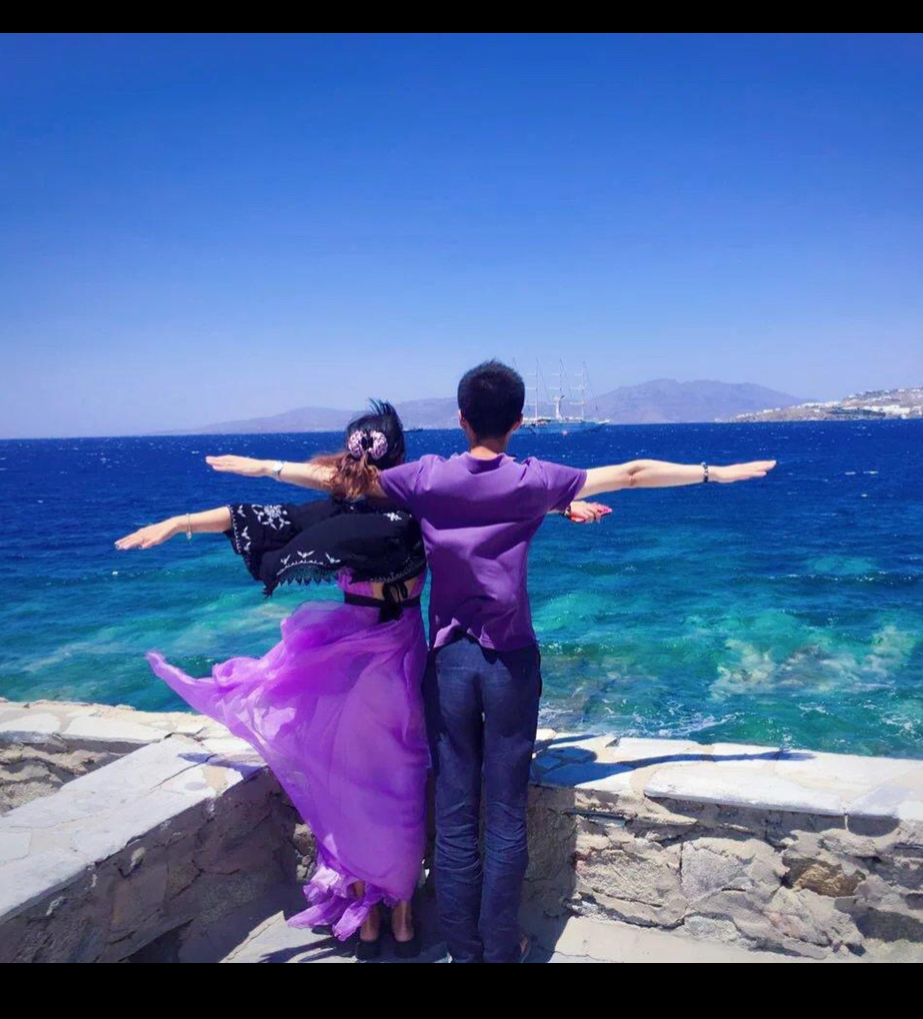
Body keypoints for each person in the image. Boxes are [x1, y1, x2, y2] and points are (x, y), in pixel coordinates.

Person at [210, 361, 776, 962]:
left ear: (461, 419)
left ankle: (463, 948)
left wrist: (263, 467)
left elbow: (344, 482)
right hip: (510, 666)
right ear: (519, 421)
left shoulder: (428, 477)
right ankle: (501, 948)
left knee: (456, 818)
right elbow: (633, 473)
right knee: (505, 816)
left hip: (449, 666)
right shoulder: (533, 480)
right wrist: (715, 473)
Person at [115, 402, 434, 960]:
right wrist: (187, 519)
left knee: (353, 784)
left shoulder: (350, 509)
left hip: (360, 656)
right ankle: (395, 919)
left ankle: (373, 919)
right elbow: (487, 499)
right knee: (395, 785)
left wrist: (189, 517)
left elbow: (254, 514)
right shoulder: (409, 507)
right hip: (386, 657)